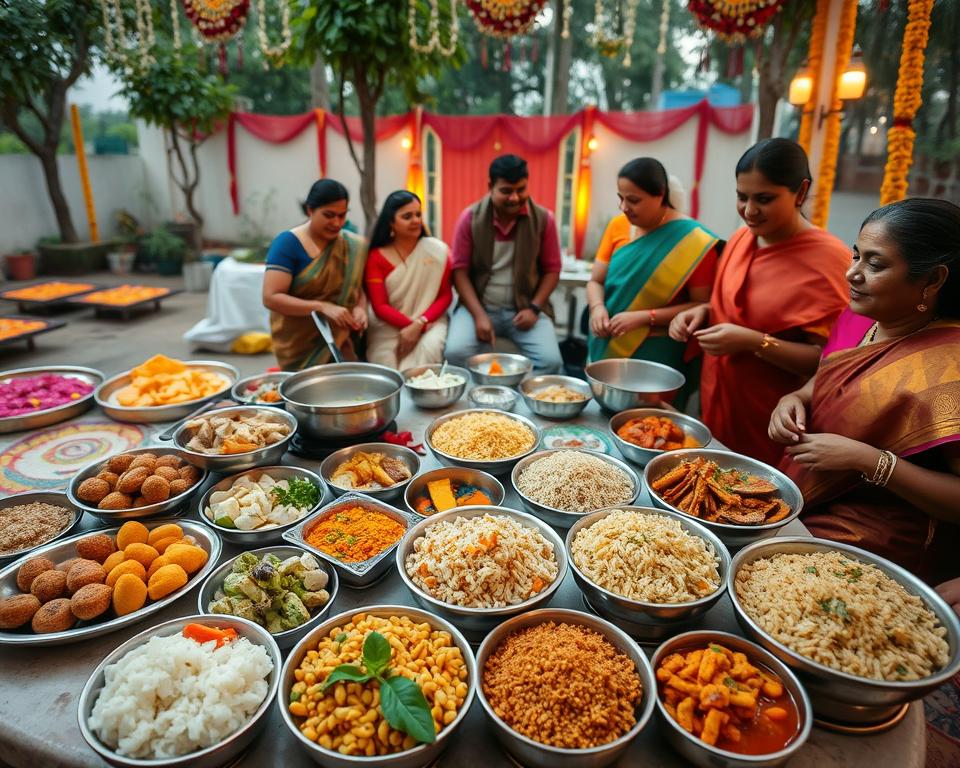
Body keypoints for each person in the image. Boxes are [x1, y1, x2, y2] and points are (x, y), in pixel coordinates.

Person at [768, 198, 960, 583]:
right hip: (803, 498)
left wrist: (869, 460)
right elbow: (826, 379)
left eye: (875, 264)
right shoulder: (860, 316)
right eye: (856, 255)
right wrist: (795, 399)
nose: (852, 274)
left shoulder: (948, 367)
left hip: (874, 544)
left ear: (933, 280)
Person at [669, 139, 850, 465]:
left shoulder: (829, 259)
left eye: (764, 199)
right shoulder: (741, 238)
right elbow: (730, 306)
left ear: (800, 192)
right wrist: (701, 311)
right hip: (718, 396)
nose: (749, 210)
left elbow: (827, 362)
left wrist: (754, 342)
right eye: (742, 197)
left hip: (773, 411)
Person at [587, 158, 719, 408]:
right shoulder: (618, 226)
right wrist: (597, 308)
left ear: (660, 195)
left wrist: (644, 317)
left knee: (652, 427)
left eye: (634, 200)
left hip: (657, 352)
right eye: (621, 198)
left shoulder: (693, 241)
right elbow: (595, 281)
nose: (624, 207)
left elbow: (701, 305)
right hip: (607, 340)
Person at [443, 154, 563, 374]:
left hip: (526, 307)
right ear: (490, 186)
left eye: (521, 189)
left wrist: (534, 308)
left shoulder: (544, 219)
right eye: (506, 191)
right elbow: (459, 272)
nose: (515, 198)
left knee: (551, 361)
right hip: (479, 307)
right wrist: (479, 315)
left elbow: (552, 270)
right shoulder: (470, 218)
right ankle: (477, 400)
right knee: (455, 353)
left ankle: (519, 403)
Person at [262, 180, 368, 371]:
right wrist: (321, 306)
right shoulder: (288, 243)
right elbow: (271, 297)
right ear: (310, 210)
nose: (337, 223)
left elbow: (356, 285)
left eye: (342, 215)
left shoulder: (352, 245)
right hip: (299, 345)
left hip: (341, 337)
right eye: (328, 215)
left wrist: (360, 308)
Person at [363, 190, 453, 369]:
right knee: (386, 364)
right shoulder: (376, 257)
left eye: (418, 214)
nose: (416, 220)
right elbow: (380, 307)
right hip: (387, 326)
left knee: (430, 349)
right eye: (407, 216)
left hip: (430, 321)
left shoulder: (437, 250)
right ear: (391, 222)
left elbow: (446, 295)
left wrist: (420, 324)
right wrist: (411, 327)